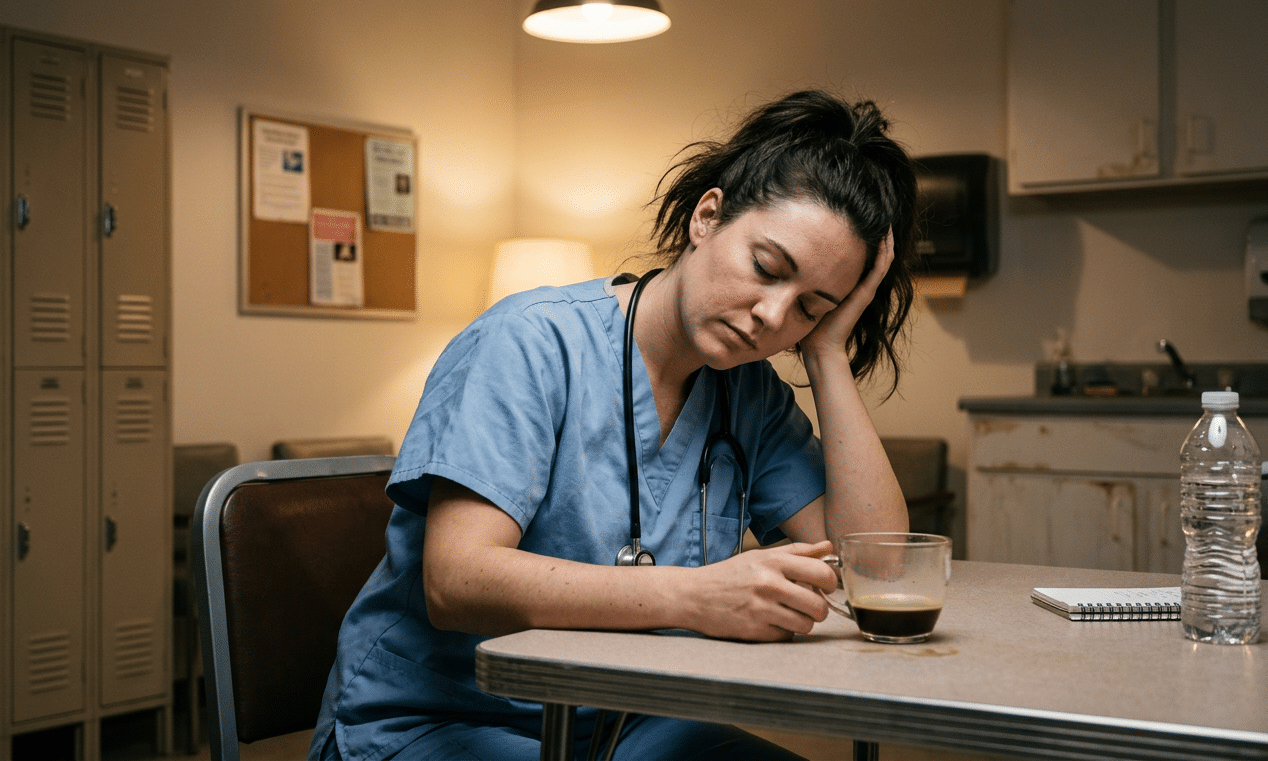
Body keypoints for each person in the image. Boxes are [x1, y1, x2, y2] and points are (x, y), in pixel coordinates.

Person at [310, 88, 919, 761]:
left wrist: (829, 352)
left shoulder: (750, 395)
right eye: (766, 268)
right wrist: (696, 597)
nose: (773, 317)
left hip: (621, 723)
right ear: (707, 217)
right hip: (437, 720)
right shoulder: (530, 342)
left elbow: (883, 569)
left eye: (810, 306)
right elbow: (456, 581)